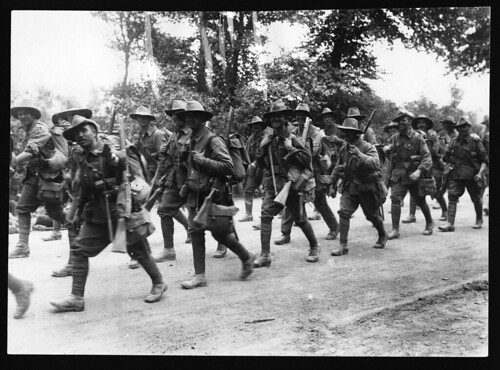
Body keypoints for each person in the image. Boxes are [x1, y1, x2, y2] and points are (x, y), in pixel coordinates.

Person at [50, 115, 168, 312]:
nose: (80, 136)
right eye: (76, 134)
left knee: (138, 250)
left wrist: (111, 158)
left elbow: (118, 161)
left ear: (94, 131)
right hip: (97, 212)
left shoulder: (110, 146)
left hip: (121, 209)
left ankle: (159, 283)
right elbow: (83, 188)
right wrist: (75, 213)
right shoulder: (82, 157)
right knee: (79, 250)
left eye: (84, 131)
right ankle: (76, 297)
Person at [176, 100, 255, 289]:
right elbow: (190, 169)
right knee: (196, 232)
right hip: (196, 194)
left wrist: (204, 161)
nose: (191, 119)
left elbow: (227, 166)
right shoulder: (190, 140)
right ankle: (200, 276)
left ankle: (246, 256)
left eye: (195, 116)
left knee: (220, 233)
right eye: (188, 116)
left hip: (214, 193)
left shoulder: (213, 140)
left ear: (203, 119)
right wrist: (186, 185)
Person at [253, 100, 320, 267]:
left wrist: (291, 149)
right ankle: (265, 255)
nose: (276, 119)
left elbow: (307, 160)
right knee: (266, 216)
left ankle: (314, 246)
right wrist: (261, 152)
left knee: (301, 219)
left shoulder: (293, 138)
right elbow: (261, 165)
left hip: (291, 184)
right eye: (273, 116)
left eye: (279, 116)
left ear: (285, 118)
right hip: (273, 186)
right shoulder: (268, 139)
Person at [9, 99, 69, 259]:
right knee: (22, 208)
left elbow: (32, 151)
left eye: (26, 113)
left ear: (34, 115)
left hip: (49, 176)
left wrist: (13, 161)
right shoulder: (28, 131)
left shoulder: (40, 130)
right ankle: (22, 246)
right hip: (35, 176)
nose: (22, 117)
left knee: (55, 212)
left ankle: (78, 226)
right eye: (20, 114)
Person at [329, 118, 387, 256]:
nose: (345, 135)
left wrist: (359, 155)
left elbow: (376, 164)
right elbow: (338, 166)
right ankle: (343, 246)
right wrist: (331, 183)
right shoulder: (344, 148)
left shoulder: (368, 147)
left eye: (348, 133)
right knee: (344, 212)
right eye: (344, 132)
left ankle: (383, 234)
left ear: (356, 134)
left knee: (372, 215)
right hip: (349, 187)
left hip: (366, 187)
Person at [49, 103, 93, 278]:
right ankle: (73, 264)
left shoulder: (83, 143)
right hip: (78, 190)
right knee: (74, 226)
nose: (69, 121)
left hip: (93, 191)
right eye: (66, 118)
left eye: (74, 117)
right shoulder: (62, 141)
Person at [382, 110, 434, 239]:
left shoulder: (418, 138)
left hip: (413, 174)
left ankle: (429, 223)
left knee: (420, 200)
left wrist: (419, 171)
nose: (400, 123)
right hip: (399, 173)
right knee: (395, 199)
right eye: (399, 121)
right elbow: (390, 148)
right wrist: (386, 148)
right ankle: (395, 229)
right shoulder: (395, 137)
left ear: (410, 122)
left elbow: (427, 157)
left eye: (403, 121)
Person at [152, 100, 192, 263]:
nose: (175, 118)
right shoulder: (174, 135)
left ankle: (223, 242)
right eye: (173, 115)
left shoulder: (194, 132)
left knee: (208, 214)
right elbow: (166, 156)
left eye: (179, 115)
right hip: (174, 178)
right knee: (164, 210)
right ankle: (169, 250)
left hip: (193, 179)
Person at [438, 117, 488, 232]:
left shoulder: (476, 141)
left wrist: (480, 173)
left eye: (464, 126)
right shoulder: (454, 141)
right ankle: (450, 223)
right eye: (459, 127)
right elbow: (446, 158)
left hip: (472, 175)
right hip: (456, 174)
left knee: (476, 198)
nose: (462, 129)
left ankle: (479, 219)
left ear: (469, 127)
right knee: (452, 196)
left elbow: (484, 160)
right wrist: (447, 152)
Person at [402, 114, 446, 222]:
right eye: (419, 122)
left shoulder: (432, 135)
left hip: (432, 165)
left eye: (423, 122)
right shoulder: (413, 135)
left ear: (427, 125)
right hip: (417, 165)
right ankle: (412, 215)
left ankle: (445, 210)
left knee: (434, 190)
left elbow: (434, 151)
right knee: (413, 190)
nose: (421, 124)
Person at [239, 116, 266, 223]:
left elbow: (264, 154)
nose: (256, 128)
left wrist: (255, 163)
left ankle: (264, 217)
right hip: (252, 168)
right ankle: (248, 214)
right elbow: (246, 153)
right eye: (254, 126)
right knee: (248, 190)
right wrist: (246, 164)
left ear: (261, 127)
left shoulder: (266, 138)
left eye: (258, 126)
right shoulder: (250, 139)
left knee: (264, 191)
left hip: (264, 168)